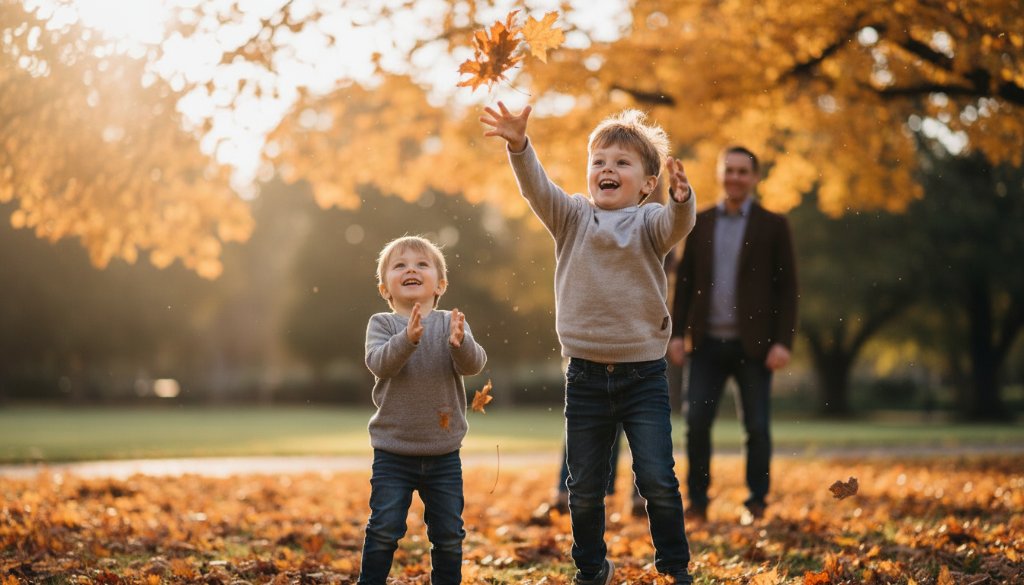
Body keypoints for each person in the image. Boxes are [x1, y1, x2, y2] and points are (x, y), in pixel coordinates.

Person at [481, 102, 696, 585]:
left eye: (622, 163)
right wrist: (519, 145)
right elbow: (537, 188)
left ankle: (675, 568)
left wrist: (682, 200)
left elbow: (677, 225)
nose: (607, 169)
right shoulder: (572, 217)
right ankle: (591, 568)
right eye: (599, 161)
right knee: (583, 488)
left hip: (644, 374)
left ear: (646, 183)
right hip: (585, 374)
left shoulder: (651, 223)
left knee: (658, 478)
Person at [668, 146, 798, 523]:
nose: (735, 178)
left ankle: (756, 501)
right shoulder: (700, 221)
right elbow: (686, 281)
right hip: (706, 344)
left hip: (754, 347)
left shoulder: (774, 226)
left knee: (756, 427)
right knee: (696, 426)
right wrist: (677, 334)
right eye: (729, 171)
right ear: (720, 174)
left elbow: (788, 289)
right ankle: (698, 502)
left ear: (755, 177)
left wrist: (783, 342)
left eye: (743, 172)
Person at [357, 235, 488, 585]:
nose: (410, 269)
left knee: (448, 534)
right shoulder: (382, 325)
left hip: (444, 453)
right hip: (393, 452)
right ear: (385, 287)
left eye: (421, 264)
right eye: (399, 266)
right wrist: (408, 339)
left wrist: (462, 344)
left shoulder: (451, 323)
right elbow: (379, 364)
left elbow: (473, 365)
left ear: (440, 284)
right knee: (384, 528)